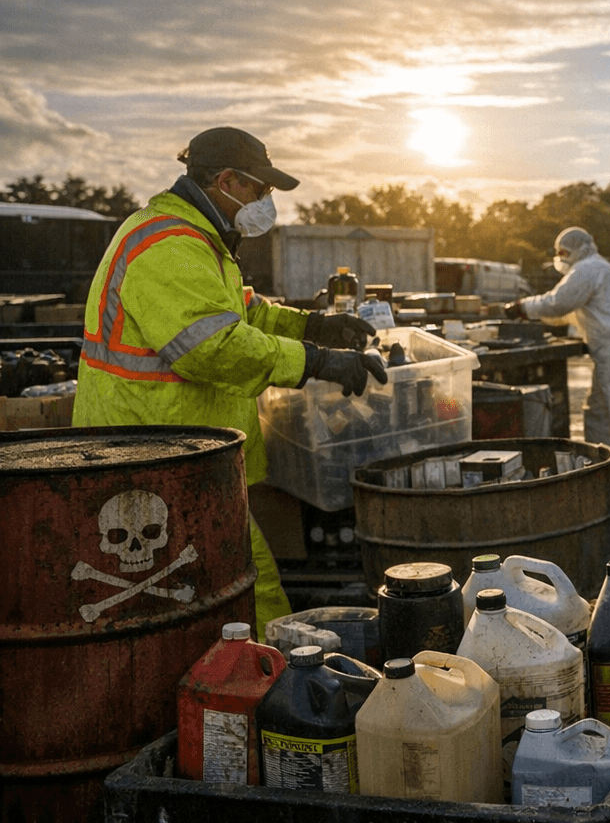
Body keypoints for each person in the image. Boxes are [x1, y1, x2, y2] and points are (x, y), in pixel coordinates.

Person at [73, 126, 389, 640]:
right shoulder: (167, 243)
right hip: (155, 456)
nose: (266, 202)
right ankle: (278, 685)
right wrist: (317, 361)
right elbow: (210, 347)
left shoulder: (195, 236)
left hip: (182, 450)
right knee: (248, 587)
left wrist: (310, 325)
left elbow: (240, 311)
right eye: (260, 189)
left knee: (232, 587)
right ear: (226, 181)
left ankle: (259, 679)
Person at [510, 227, 610, 496]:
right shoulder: (596, 269)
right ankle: (604, 465)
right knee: (598, 409)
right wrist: (531, 314)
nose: (561, 257)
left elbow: (558, 303)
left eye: (564, 252)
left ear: (578, 249)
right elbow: (566, 312)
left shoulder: (588, 269)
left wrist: (523, 307)